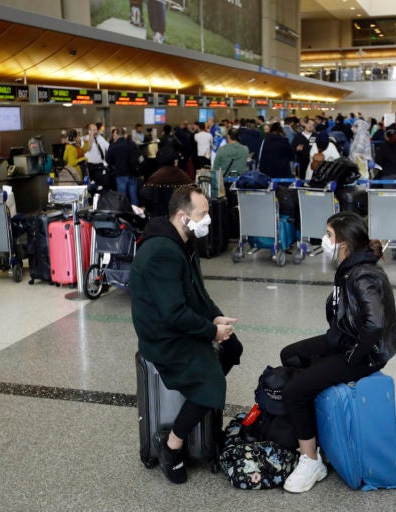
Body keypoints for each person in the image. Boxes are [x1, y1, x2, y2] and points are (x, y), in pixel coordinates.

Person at [279, 211, 396, 493]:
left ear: (344, 242)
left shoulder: (362, 275)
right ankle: (315, 428)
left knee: (294, 392)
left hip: (364, 352)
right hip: (344, 340)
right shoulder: (350, 266)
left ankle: (311, 461)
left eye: (329, 235)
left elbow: (375, 326)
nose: (324, 240)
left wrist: (352, 357)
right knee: (290, 355)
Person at [130, 185, 243, 484]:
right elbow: (173, 313)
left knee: (233, 348)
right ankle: (173, 445)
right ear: (182, 216)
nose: (208, 219)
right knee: (211, 380)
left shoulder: (180, 241)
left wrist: (215, 317)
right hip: (163, 335)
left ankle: (200, 402)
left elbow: (196, 294)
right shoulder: (161, 252)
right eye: (202, 214)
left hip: (176, 324)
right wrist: (210, 332)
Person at [140, 149, 193, 217]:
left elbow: (145, 197)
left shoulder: (156, 177)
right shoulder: (183, 176)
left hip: (160, 216)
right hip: (181, 216)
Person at [106, 127, 141, 206]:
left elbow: (108, 159)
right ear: (125, 135)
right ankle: (136, 213)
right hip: (133, 173)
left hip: (120, 174)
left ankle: (123, 213)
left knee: (122, 197)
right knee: (133, 195)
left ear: (116, 134)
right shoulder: (132, 144)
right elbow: (139, 157)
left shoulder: (113, 146)